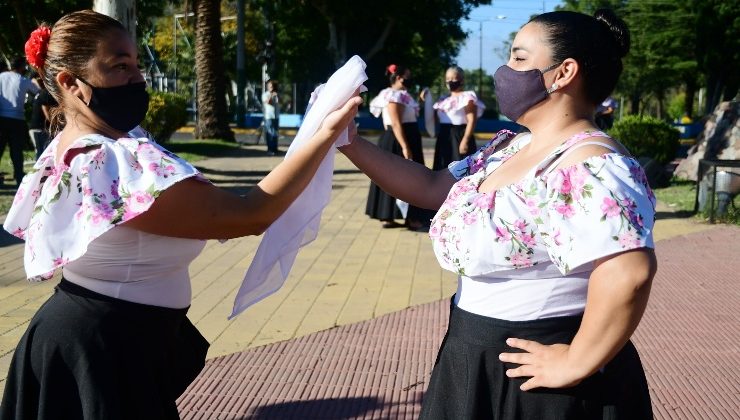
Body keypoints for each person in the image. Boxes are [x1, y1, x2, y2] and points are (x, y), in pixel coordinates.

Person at [0, 10, 361, 419]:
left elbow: (230, 202)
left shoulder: (105, 143)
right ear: (70, 83)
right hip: (98, 355)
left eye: (137, 64)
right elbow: (250, 213)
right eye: (119, 66)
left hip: (117, 346)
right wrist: (325, 133)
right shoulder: (104, 162)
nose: (138, 78)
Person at [340, 9, 656, 419]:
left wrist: (576, 360)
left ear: (564, 72)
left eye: (520, 59)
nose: (505, 71)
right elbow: (433, 188)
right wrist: (348, 141)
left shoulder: (589, 163)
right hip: (472, 354)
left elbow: (628, 273)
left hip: (540, 381)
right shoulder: (509, 147)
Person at [365, 64, 432, 231]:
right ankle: (409, 218)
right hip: (400, 139)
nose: (410, 79)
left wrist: (422, 102)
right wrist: (405, 146)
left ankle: (390, 215)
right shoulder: (393, 95)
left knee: (393, 175)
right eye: (407, 76)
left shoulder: (402, 95)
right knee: (408, 176)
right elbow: (396, 123)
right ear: (399, 77)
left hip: (401, 137)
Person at [430, 66, 485, 170]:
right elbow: (435, 119)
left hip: (459, 136)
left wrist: (465, 140)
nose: (450, 82)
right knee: (442, 168)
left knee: (460, 170)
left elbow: (472, 120)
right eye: (448, 79)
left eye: (453, 78)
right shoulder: (443, 99)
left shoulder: (467, 97)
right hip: (444, 136)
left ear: (461, 80)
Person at [0, 56, 40, 185]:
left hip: (2, 117)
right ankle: (18, 176)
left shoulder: (1, 77)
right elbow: (38, 93)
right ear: (22, 66)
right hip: (17, 119)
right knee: (16, 150)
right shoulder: (23, 80)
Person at [28, 76, 57, 158]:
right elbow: (45, 109)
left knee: (43, 152)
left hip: (38, 128)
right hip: (39, 128)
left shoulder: (41, 93)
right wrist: (54, 124)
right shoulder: (45, 93)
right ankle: (42, 170)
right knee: (42, 153)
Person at [262, 79, 280, 155]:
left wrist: (277, 96)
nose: (271, 87)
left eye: (272, 86)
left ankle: (275, 148)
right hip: (268, 116)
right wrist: (271, 96)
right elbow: (268, 102)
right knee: (269, 133)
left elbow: (280, 103)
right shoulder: (265, 94)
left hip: (276, 116)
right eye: (270, 86)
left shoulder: (276, 94)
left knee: (275, 133)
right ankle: (270, 149)